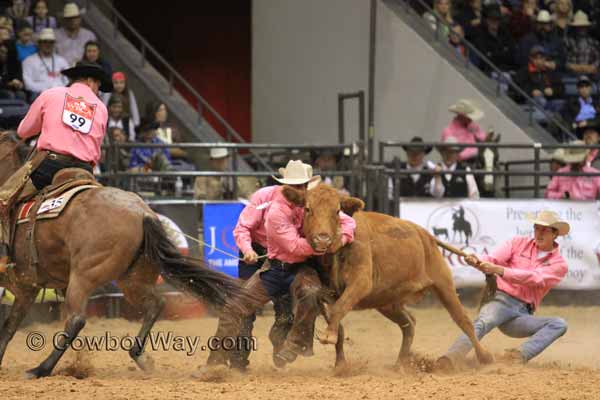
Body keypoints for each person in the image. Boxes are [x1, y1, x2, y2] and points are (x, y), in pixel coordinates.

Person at [0, 61, 111, 271]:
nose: (98, 89)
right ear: (89, 80)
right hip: (84, 172)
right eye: (98, 84)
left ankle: (3, 256)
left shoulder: (52, 94)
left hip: (49, 166)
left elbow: (24, 131)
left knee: (3, 198)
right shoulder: (102, 109)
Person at [437, 210, 569, 368]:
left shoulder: (559, 265)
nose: (539, 233)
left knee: (559, 324)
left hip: (523, 315)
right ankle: (451, 358)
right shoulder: (516, 243)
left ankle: (517, 356)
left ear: (555, 234)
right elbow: (491, 259)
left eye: (545, 230)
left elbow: (535, 278)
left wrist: (500, 270)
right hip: (502, 301)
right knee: (483, 322)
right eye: (537, 228)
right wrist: (477, 260)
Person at [511, 46, 564, 121]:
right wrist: (531, 91)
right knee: (540, 100)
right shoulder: (524, 71)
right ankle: (550, 117)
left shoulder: (549, 71)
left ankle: (550, 118)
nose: (539, 61)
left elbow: (561, 88)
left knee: (561, 104)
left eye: (541, 58)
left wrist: (553, 91)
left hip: (548, 102)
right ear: (531, 59)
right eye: (536, 58)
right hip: (531, 102)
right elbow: (516, 88)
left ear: (545, 58)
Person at [193, 148, 259, 200]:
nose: (220, 162)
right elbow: (199, 200)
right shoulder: (202, 178)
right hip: (212, 213)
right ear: (211, 161)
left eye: (223, 159)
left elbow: (247, 195)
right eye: (217, 160)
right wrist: (218, 187)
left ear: (227, 159)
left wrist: (236, 187)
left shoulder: (236, 176)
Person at [22, 28, 69, 97]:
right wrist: (46, 90)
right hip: (39, 94)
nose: (48, 45)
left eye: (51, 42)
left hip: (60, 94)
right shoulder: (29, 61)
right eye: (45, 42)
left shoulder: (62, 61)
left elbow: (67, 80)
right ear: (39, 43)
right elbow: (27, 83)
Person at [471, 4, 516, 75]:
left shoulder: (505, 33)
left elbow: (512, 54)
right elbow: (485, 58)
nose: (494, 22)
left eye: (497, 19)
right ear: (487, 20)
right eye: (492, 19)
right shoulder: (480, 35)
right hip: (488, 71)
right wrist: (503, 52)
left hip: (506, 69)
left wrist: (495, 54)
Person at [441, 98, 487, 163]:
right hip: (459, 166)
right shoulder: (448, 132)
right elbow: (454, 155)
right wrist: (476, 151)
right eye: (469, 117)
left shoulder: (472, 126)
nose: (471, 119)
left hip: (477, 162)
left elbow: (484, 139)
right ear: (462, 116)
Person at [564, 11, 600, 79]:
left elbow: (598, 59)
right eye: (579, 27)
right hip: (572, 75)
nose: (581, 29)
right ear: (574, 28)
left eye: (583, 26)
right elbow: (564, 60)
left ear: (587, 27)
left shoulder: (594, 42)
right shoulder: (567, 42)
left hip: (591, 75)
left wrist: (592, 67)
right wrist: (575, 66)